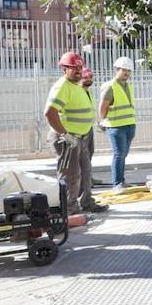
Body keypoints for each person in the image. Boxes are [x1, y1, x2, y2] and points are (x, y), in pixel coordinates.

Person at [45, 52, 106, 216]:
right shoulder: (62, 87)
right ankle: (70, 209)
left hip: (79, 137)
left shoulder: (76, 86)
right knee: (70, 176)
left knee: (85, 172)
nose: (78, 70)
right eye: (73, 68)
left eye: (79, 67)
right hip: (67, 139)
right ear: (64, 69)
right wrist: (64, 134)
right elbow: (50, 113)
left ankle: (86, 202)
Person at [99, 57, 137, 190]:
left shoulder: (128, 86)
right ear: (117, 69)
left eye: (129, 70)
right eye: (124, 70)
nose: (127, 73)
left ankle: (121, 181)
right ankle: (117, 183)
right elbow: (103, 107)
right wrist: (103, 121)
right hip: (116, 126)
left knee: (123, 155)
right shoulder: (110, 86)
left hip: (129, 125)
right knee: (119, 154)